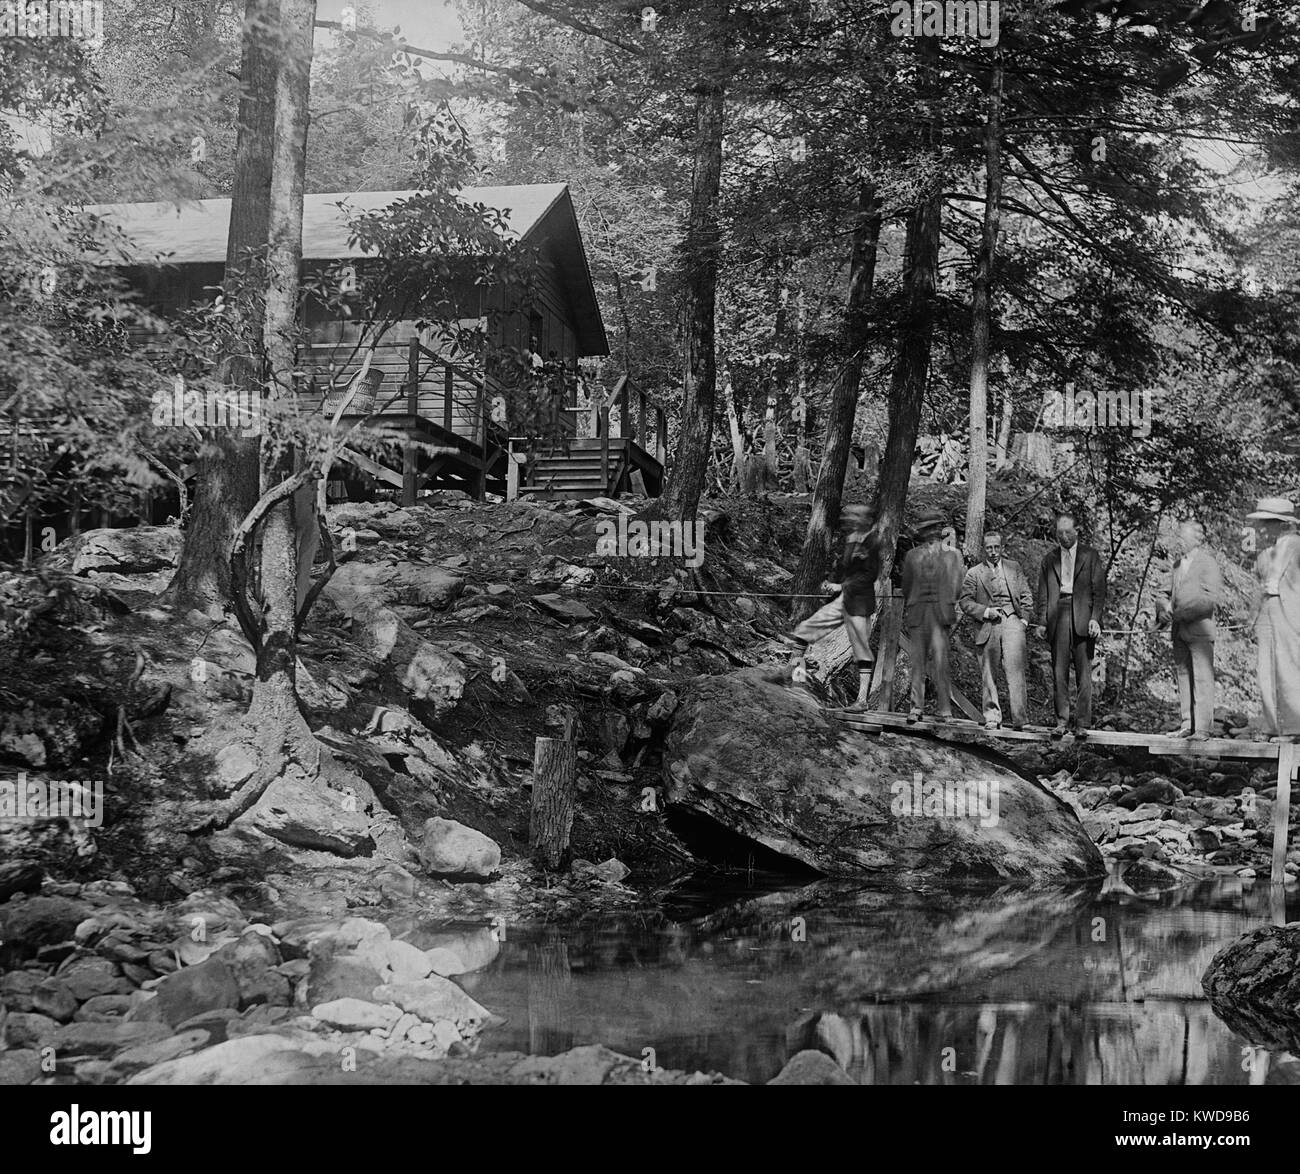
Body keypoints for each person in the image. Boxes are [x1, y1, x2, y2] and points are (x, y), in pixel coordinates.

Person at [786, 504, 883, 710]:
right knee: (805, 630)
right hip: (841, 601)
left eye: (854, 517)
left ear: (864, 520)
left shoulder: (873, 541)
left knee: (861, 650)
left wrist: (841, 586)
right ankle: (794, 679)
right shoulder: (849, 540)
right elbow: (841, 568)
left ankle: (862, 700)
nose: (849, 520)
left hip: (859, 602)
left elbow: (870, 575)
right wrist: (830, 582)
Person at [1035, 513, 1107, 736]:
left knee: (1084, 672)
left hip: (1084, 615)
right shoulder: (1049, 559)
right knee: (1059, 671)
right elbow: (1044, 593)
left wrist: (1095, 618)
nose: (1063, 537)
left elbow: (1100, 591)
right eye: (1059, 533)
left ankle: (1083, 723)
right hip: (1059, 613)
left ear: (1077, 531)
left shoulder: (1090, 556)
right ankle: (1061, 721)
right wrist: (1042, 621)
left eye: (1067, 532)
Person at [959, 531, 1034, 730]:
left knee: (1015, 672)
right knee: (988, 672)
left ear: (1002, 547)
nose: (993, 552)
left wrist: (1023, 622)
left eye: (996, 547)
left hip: (1013, 624)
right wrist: (986, 611)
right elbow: (965, 601)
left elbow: (1026, 596)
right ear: (984, 549)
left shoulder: (1014, 567)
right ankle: (992, 716)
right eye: (989, 548)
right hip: (988, 626)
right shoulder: (974, 573)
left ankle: (1020, 719)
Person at [1155, 519, 1222, 741]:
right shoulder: (1176, 565)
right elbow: (1163, 594)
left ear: (1197, 539)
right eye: (1179, 537)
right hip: (1178, 632)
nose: (1179, 541)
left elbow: (1209, 600)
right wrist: (1163, 609)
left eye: (1183, 537)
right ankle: (1187, 725)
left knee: (1202, 678)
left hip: (1200, 631)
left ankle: (1202, 729)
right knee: (1183, 676)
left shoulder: (1208, 563)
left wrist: (1180, 613)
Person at [901, 510, 965, 723]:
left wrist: (945, 602)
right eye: (927, 529)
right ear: (922, 532)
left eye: (935, 528)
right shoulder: (912, 556)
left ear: (940, 529)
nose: (932, 532)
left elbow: (957, 586)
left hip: (940, 615)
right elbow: (907, 585)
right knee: (918, 661)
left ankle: (944, 709)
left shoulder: (953, 555)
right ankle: (916, 708)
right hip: (918, 613)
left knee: (940, 661)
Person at [1249, 497, 1300, 743]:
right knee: (1265, 668)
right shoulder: (1268, 550)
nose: (1262, 528)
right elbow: (1261, 581)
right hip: (1268, 609)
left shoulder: (1295, 544)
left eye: (1267, 522)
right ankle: (1273, 725)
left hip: (1288, 609)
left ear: (1280, 523)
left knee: (1287, 667)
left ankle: (1293, 728)